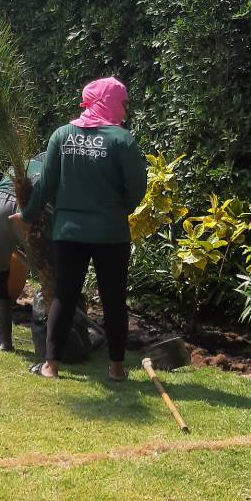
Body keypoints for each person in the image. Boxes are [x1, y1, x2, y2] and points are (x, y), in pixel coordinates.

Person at [21, 77, 147, 381]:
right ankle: (116, 369)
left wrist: (28, 213)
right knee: (113, 300)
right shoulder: (122, 141)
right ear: (110, 101)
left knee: (64, 296)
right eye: (123, 102)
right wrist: (120, 209)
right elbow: (137, 187)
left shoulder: (62, 136)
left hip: (69, 232)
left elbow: (46, 184)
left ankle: (51, 366)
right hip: (110, 233)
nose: (125, 109)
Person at [0, 153, 44, 352]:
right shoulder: (53, 169)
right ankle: (49, 340)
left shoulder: (23, 164)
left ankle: (3, 341)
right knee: (48, 274)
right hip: (24, 206)